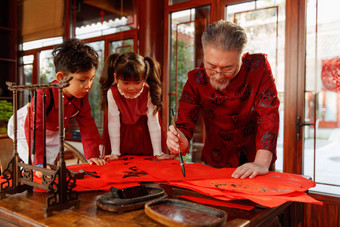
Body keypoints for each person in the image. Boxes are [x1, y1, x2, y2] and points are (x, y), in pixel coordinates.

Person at [166, 20, 280, 179]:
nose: (218, 75)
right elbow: (185, 124)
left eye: (228, 68)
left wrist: (261, 162)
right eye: (211, 67)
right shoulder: (195, 81)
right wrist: (179, 140)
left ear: (241, 56)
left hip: (256, 158)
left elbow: (269, 114)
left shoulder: (258, 68)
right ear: (204, 54)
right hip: (216, 160)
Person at [8, 38, 106, 167]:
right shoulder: (44, 94)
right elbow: (34, 127)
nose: (88, 86)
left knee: (49, 166)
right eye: (82, 80)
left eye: (91, 79)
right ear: (61, 78)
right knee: (35, 164)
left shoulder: (81, 97)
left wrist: (93, 155)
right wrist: (38, 163)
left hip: (53, 129)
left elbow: (88, 126)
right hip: (25, 125)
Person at [99, 52, 171, 160]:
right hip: (120, 137)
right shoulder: (112, 92)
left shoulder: (148, 91)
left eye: (137, 82)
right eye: (126, 83)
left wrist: (158, 152)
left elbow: (153, 122)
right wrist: (115, 152)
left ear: (145, 77)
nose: (131, 88)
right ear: (116, 78)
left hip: (144, 136)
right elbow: (114, 122)